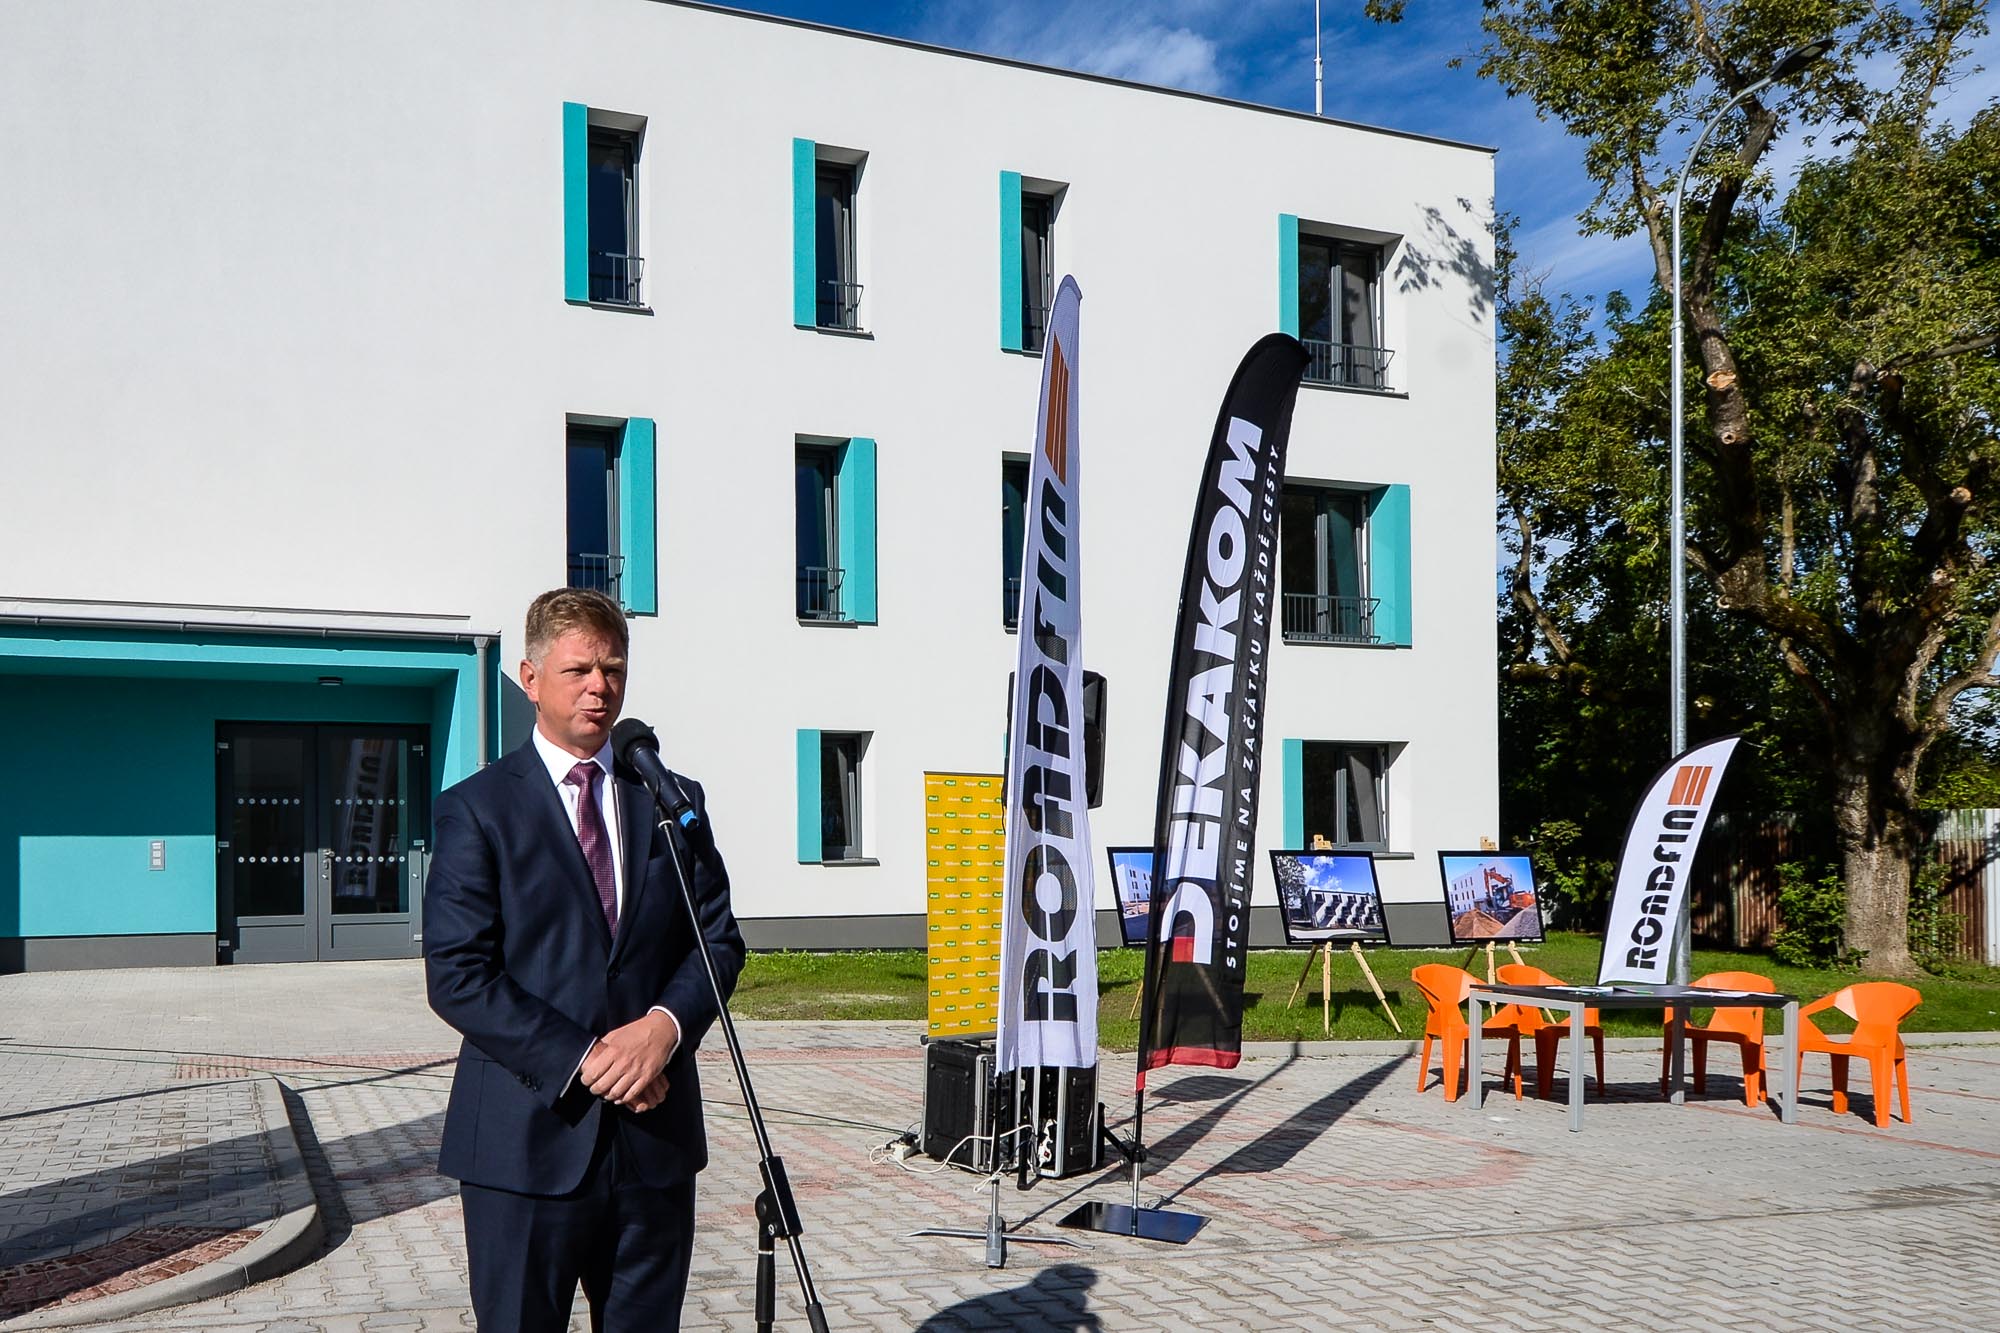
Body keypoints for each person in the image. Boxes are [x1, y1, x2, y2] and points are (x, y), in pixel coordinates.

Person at [425, 588, 744, 1331]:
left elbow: (718, 938)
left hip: (653, 1146)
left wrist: (663, 1028)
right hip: (525, 1147)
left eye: (613, 668)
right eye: (579, 670)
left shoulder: (668, 795)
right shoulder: (477, 808)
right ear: (531, 678)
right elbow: (458, 974)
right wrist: (591, 1057)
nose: (600, 686)